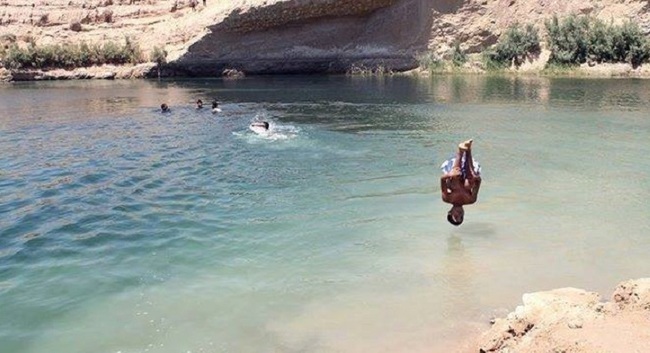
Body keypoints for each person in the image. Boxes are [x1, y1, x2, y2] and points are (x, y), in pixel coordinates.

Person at [440, 139, 481, 226]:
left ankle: (460, 151)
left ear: (450, 212)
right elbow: (478, 182)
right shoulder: (471, 200)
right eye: (461, 217)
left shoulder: (447, 199)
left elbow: (442, 179)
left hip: (454, 172)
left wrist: (450, 174)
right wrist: (475, 177)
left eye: (456, 216)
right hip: (469, 172)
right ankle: (468, 149)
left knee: (454, 181)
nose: (460, 214)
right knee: (469, 184)